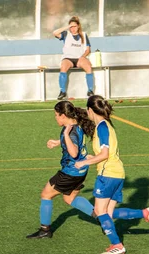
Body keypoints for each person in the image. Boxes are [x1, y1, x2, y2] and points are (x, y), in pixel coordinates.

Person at [74, 95, 149, 254]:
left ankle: (117, 245)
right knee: (109, 213)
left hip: (108, 174)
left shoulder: (102, 127)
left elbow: (105, 154)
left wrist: (84, 163)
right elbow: (106, 153)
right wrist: (92, 158)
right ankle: (145, 213)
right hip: (117, 173)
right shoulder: (107, 125)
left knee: (100, 211)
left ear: (90, 110)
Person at [26, 101, 97, 239]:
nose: (55, 118)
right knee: (70, 198)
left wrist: (64, 136)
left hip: (70, 173)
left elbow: (74, 152)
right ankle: (100, 217)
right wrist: (58, 141)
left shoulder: (69, 132)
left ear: (63, 115)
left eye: (56, 115)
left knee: (46, 194)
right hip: (81, 172)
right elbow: (75, 141)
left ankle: (45, 230)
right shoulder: (75, 125)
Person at [53, 16, 95, 100]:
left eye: (74, 26)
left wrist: (83, 57)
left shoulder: (84, 35)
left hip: (79, 58)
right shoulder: (66, 34)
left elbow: (88, 49)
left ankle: (90, 91)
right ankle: (62, 91)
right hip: (68, 58)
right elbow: (55, 33)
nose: (72, 28)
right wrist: (67, 27)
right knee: (63, 66)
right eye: (71, 27)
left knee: (88, 66)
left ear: (78, 26)